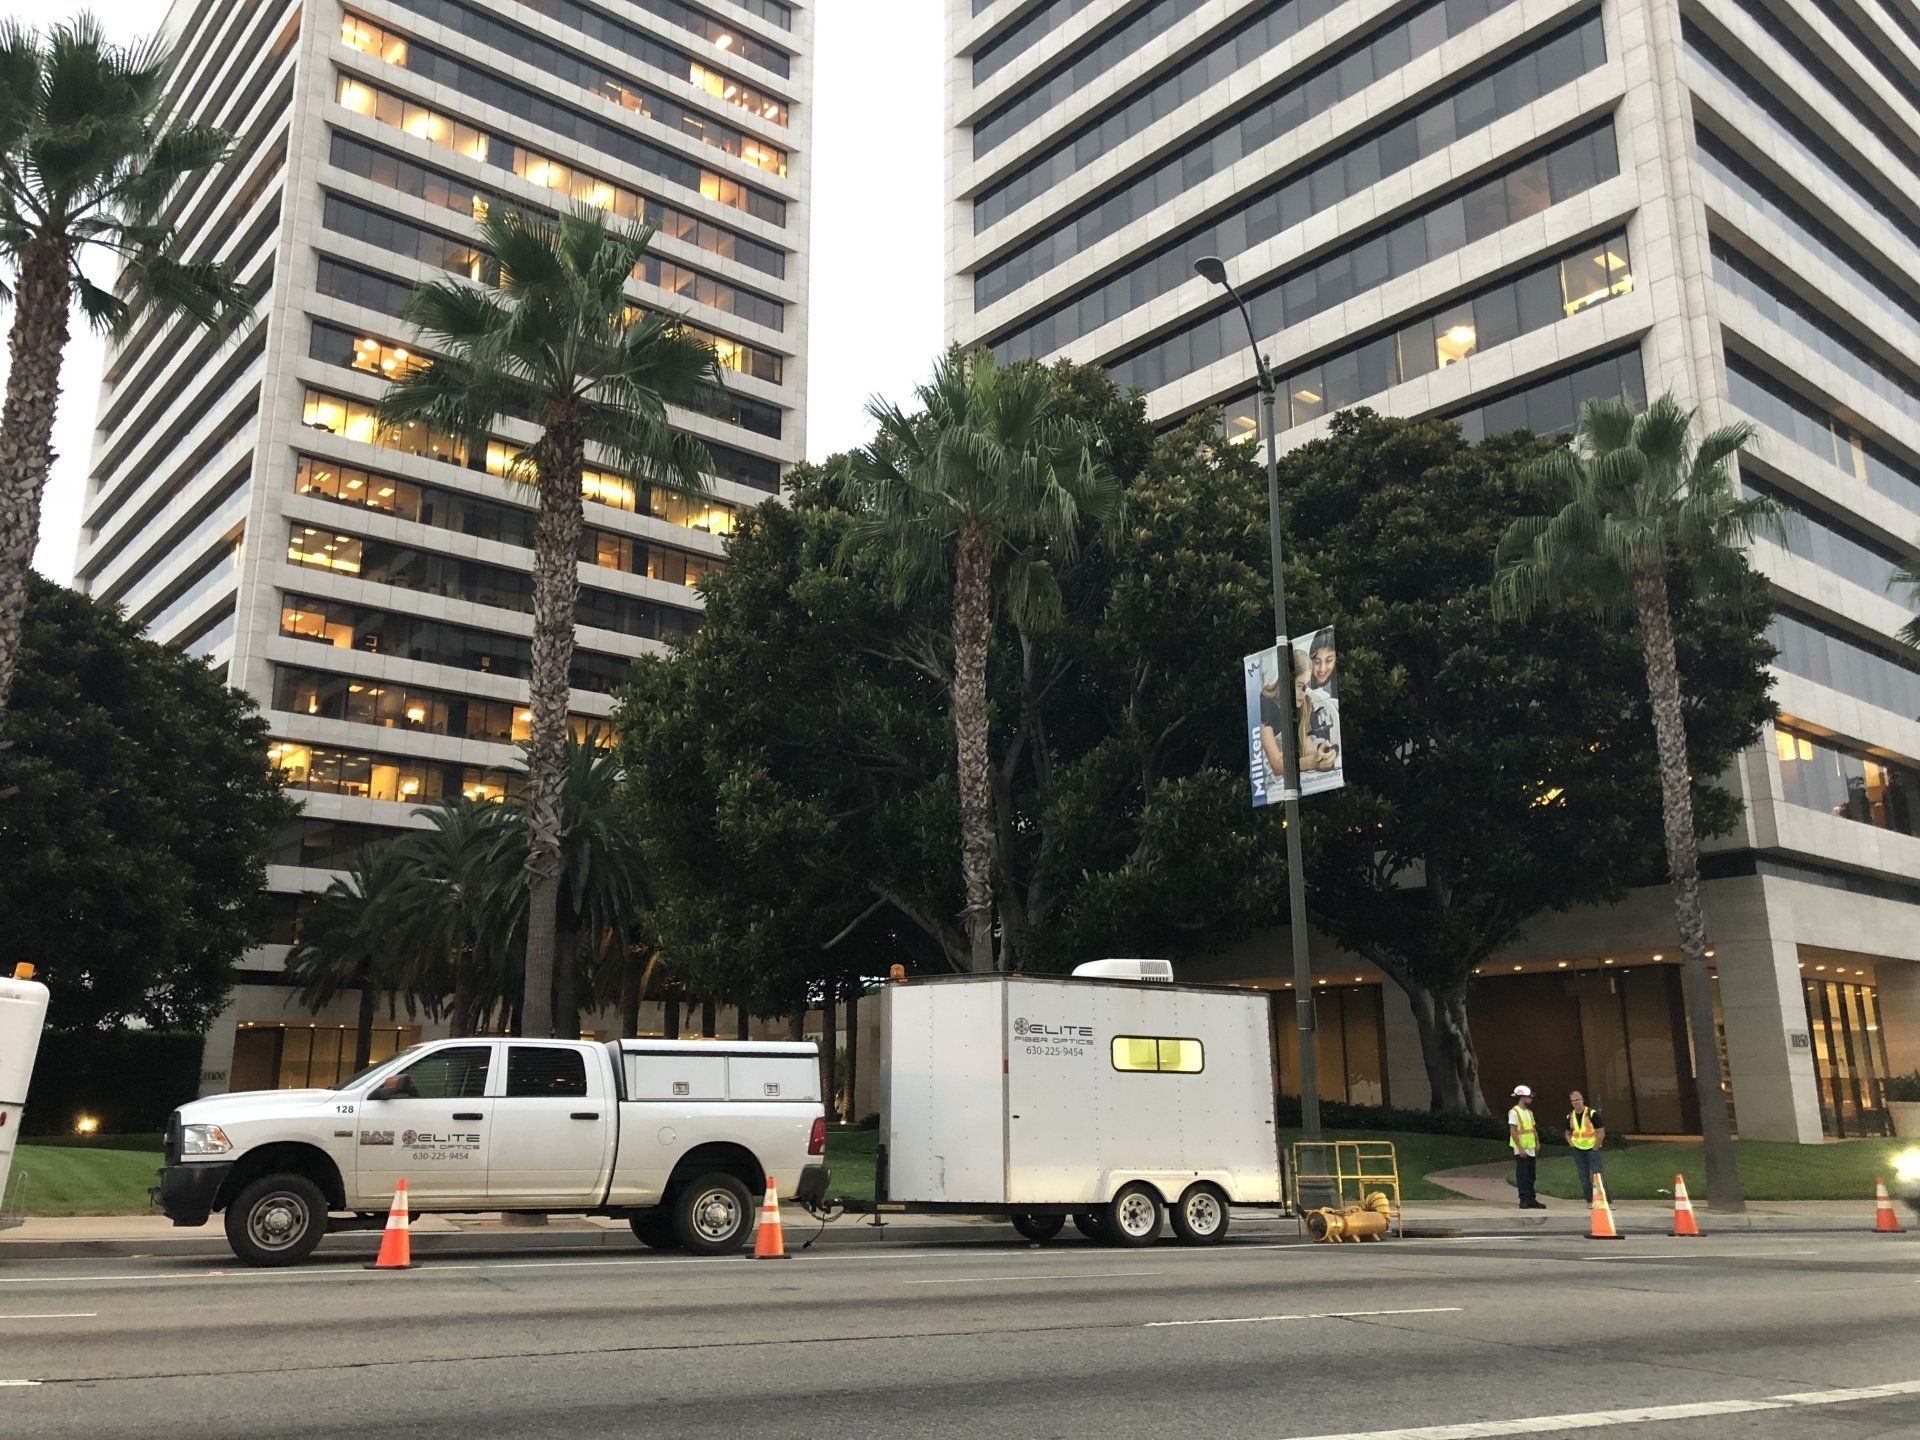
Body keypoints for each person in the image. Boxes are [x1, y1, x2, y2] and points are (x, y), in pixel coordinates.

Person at [1566, 1090, 1607, 1203]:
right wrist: (1571, 1144)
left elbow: (1601, 1132)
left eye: (1577, 1099)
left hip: (1592, 1148)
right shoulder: (1570, 1116)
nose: (1575, 1102)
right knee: (1583, 1176)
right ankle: (1590, 1200)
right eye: (1573, 1101)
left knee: (1597, 1175)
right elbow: (1568, 1132)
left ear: (1582, 1100)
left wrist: (1595, 1148)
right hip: (1578, 1149)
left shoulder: (1592, 1114)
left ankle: (1604, 1200)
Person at [1508, 1085, 1544, 1209]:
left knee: (1531, 1175)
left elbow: (1533, 1129)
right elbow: (1513, 1131)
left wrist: (1537, 1142)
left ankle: (1531, 1199)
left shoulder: (1529, 1112)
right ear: (1522, 1097)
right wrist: (1520, 1148)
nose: (1531, 1099)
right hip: (1521, 1149)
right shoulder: (1514, 1112)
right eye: (1529, 1096)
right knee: (1523, 1174)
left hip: (1531, 1147)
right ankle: (1524, 1199)